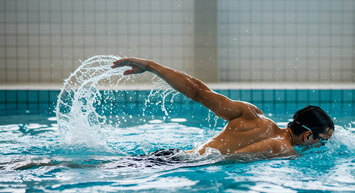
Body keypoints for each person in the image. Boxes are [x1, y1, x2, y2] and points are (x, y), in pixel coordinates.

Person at [111, 58, 334, 158]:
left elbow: (198, 91)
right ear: (307, 136)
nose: (322, 146)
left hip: (171, 156)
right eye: (322, 140)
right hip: (173, 166)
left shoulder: (253, 115)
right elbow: (226, 159)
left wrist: (151, 66)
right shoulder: (285, 150)